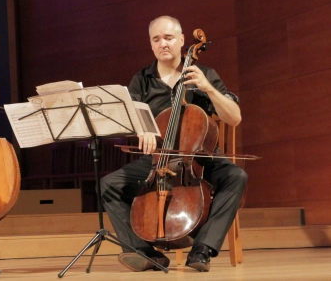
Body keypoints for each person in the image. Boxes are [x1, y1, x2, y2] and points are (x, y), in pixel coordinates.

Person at [100, 15, 247, 272]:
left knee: (237, 176)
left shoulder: (204, 74)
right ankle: (144, 252)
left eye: (168, 38)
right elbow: (130, 117)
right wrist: (142, 128)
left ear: (181, 41)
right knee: (108, 185)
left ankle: (202, 249)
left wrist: (208, 89)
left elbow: (234, 118)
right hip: (158, 158)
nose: (163, 44)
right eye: (156, 39)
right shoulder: (142, 80)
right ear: (151, 44)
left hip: (201, 157)